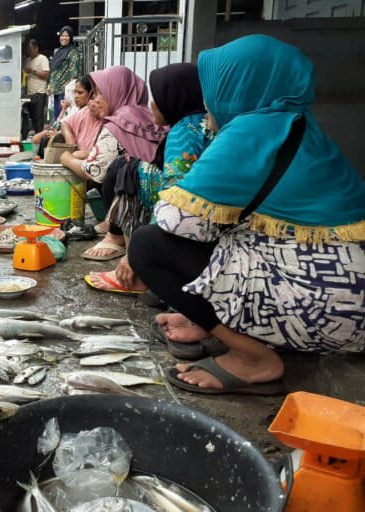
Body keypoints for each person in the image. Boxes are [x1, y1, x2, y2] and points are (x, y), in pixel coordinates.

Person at [127, 35, 365, 395]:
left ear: (238, 84)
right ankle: (205, 323)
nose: (206, 103)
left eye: (213, 86)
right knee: (220, 231)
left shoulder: (253, 131)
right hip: (349, 304)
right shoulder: (300, 126)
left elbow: (174, 220)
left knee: (150, 246)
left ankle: (253, 359)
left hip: (323, 311)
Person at [87, 63, 213, 291]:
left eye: (158, 97)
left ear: (173, 98)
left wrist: (137, 253)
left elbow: (175, 197)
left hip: (198, 219)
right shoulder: (203, 121)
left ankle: (139, 274)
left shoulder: (184, 132)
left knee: (130, 169)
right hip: (210, 210)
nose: (151, 105)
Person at [60, 68, 164, 249]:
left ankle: (117, 232)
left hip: (139, 207)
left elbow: (93, 170)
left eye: (100, 93)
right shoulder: (142, 114)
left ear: (117, 91)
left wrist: (66, 158)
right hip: (159, 199)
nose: (95, 100)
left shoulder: (120, 122)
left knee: (117, 169)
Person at [50, 26, 82, 121]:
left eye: (67, 36)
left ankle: (62, 134)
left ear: (71, 37)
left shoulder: (73, 52)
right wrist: (50, 85)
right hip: (56, 90)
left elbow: (74, 73)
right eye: (62, 35)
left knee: (64, 117)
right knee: (57, 116)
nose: (64, 38)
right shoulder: (59, 51)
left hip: (65, 92)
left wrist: (71, 92)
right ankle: (56, 134)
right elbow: (54, 70)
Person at [22, 39, 49, 141]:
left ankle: (41, 146)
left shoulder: (43, 59)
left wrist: (32, 71)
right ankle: (36, 142)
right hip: (30, 95)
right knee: (32, 120)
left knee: (38, 121)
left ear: (36, 48)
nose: (29, 52)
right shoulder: (27, 61)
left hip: (39, 94)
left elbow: (46, 75)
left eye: (31, 49)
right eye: (27, 50)